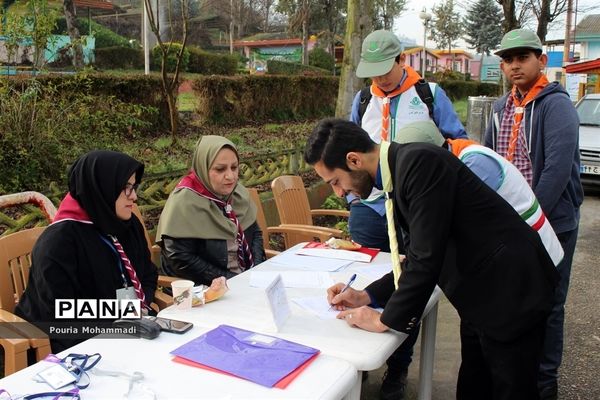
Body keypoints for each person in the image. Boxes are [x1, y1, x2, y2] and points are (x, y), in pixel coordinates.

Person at [305, 118, 559, 400]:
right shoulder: (401, 170)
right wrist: (366, 296)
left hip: (510, 291)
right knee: (474, 385)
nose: (338, 193)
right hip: (481, 295)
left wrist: (384, 320)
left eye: (335, 182)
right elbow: (417, 256)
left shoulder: (419, 164)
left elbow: (426, 258)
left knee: (512, 389)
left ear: (353, 160)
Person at [349, 29, 467, 399]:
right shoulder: (363, 97)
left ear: (403, 60)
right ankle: (360, 365)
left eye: (385, 68)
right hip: (371, 211)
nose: (379, 78)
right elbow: (350, 149)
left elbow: (457, 142)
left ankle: (397, 370)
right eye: (372, 71)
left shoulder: (429, 95)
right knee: (366, 285)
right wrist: (355, 201)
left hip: (414, 210)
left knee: (410, 283)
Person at [484, 28, 584, 400]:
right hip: (511, 224)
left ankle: (545, 382)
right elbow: (493, 163)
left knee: (550, 302)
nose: (514, 65)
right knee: (518, 300)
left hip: (550, 222)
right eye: (508, 60)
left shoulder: (556, 105)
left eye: (522, 57)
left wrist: (531, 221)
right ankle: (519, 375)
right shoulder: (501, 107)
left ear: (541, 61)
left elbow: (556, 171)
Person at [15, 150, 159, 352]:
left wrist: (142, 307)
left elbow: (147, 273)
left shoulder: (127, 225)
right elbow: (62, 312)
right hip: (74, 342)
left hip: (129, 330)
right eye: (126, 187)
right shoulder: (59, 243)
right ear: (101, 187)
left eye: (134, 186)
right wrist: (125, 318)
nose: (134, 196)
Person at [156, 136, 265, 286]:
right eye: (220, 169)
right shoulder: (184, 202)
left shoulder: (237, 193)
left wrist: (256, 270)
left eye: (234, 167)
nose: (230, 176)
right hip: (205, 289)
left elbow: (256, 234)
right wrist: (232, 280)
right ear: (203, 166)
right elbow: (180, 258)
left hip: (245, 281)